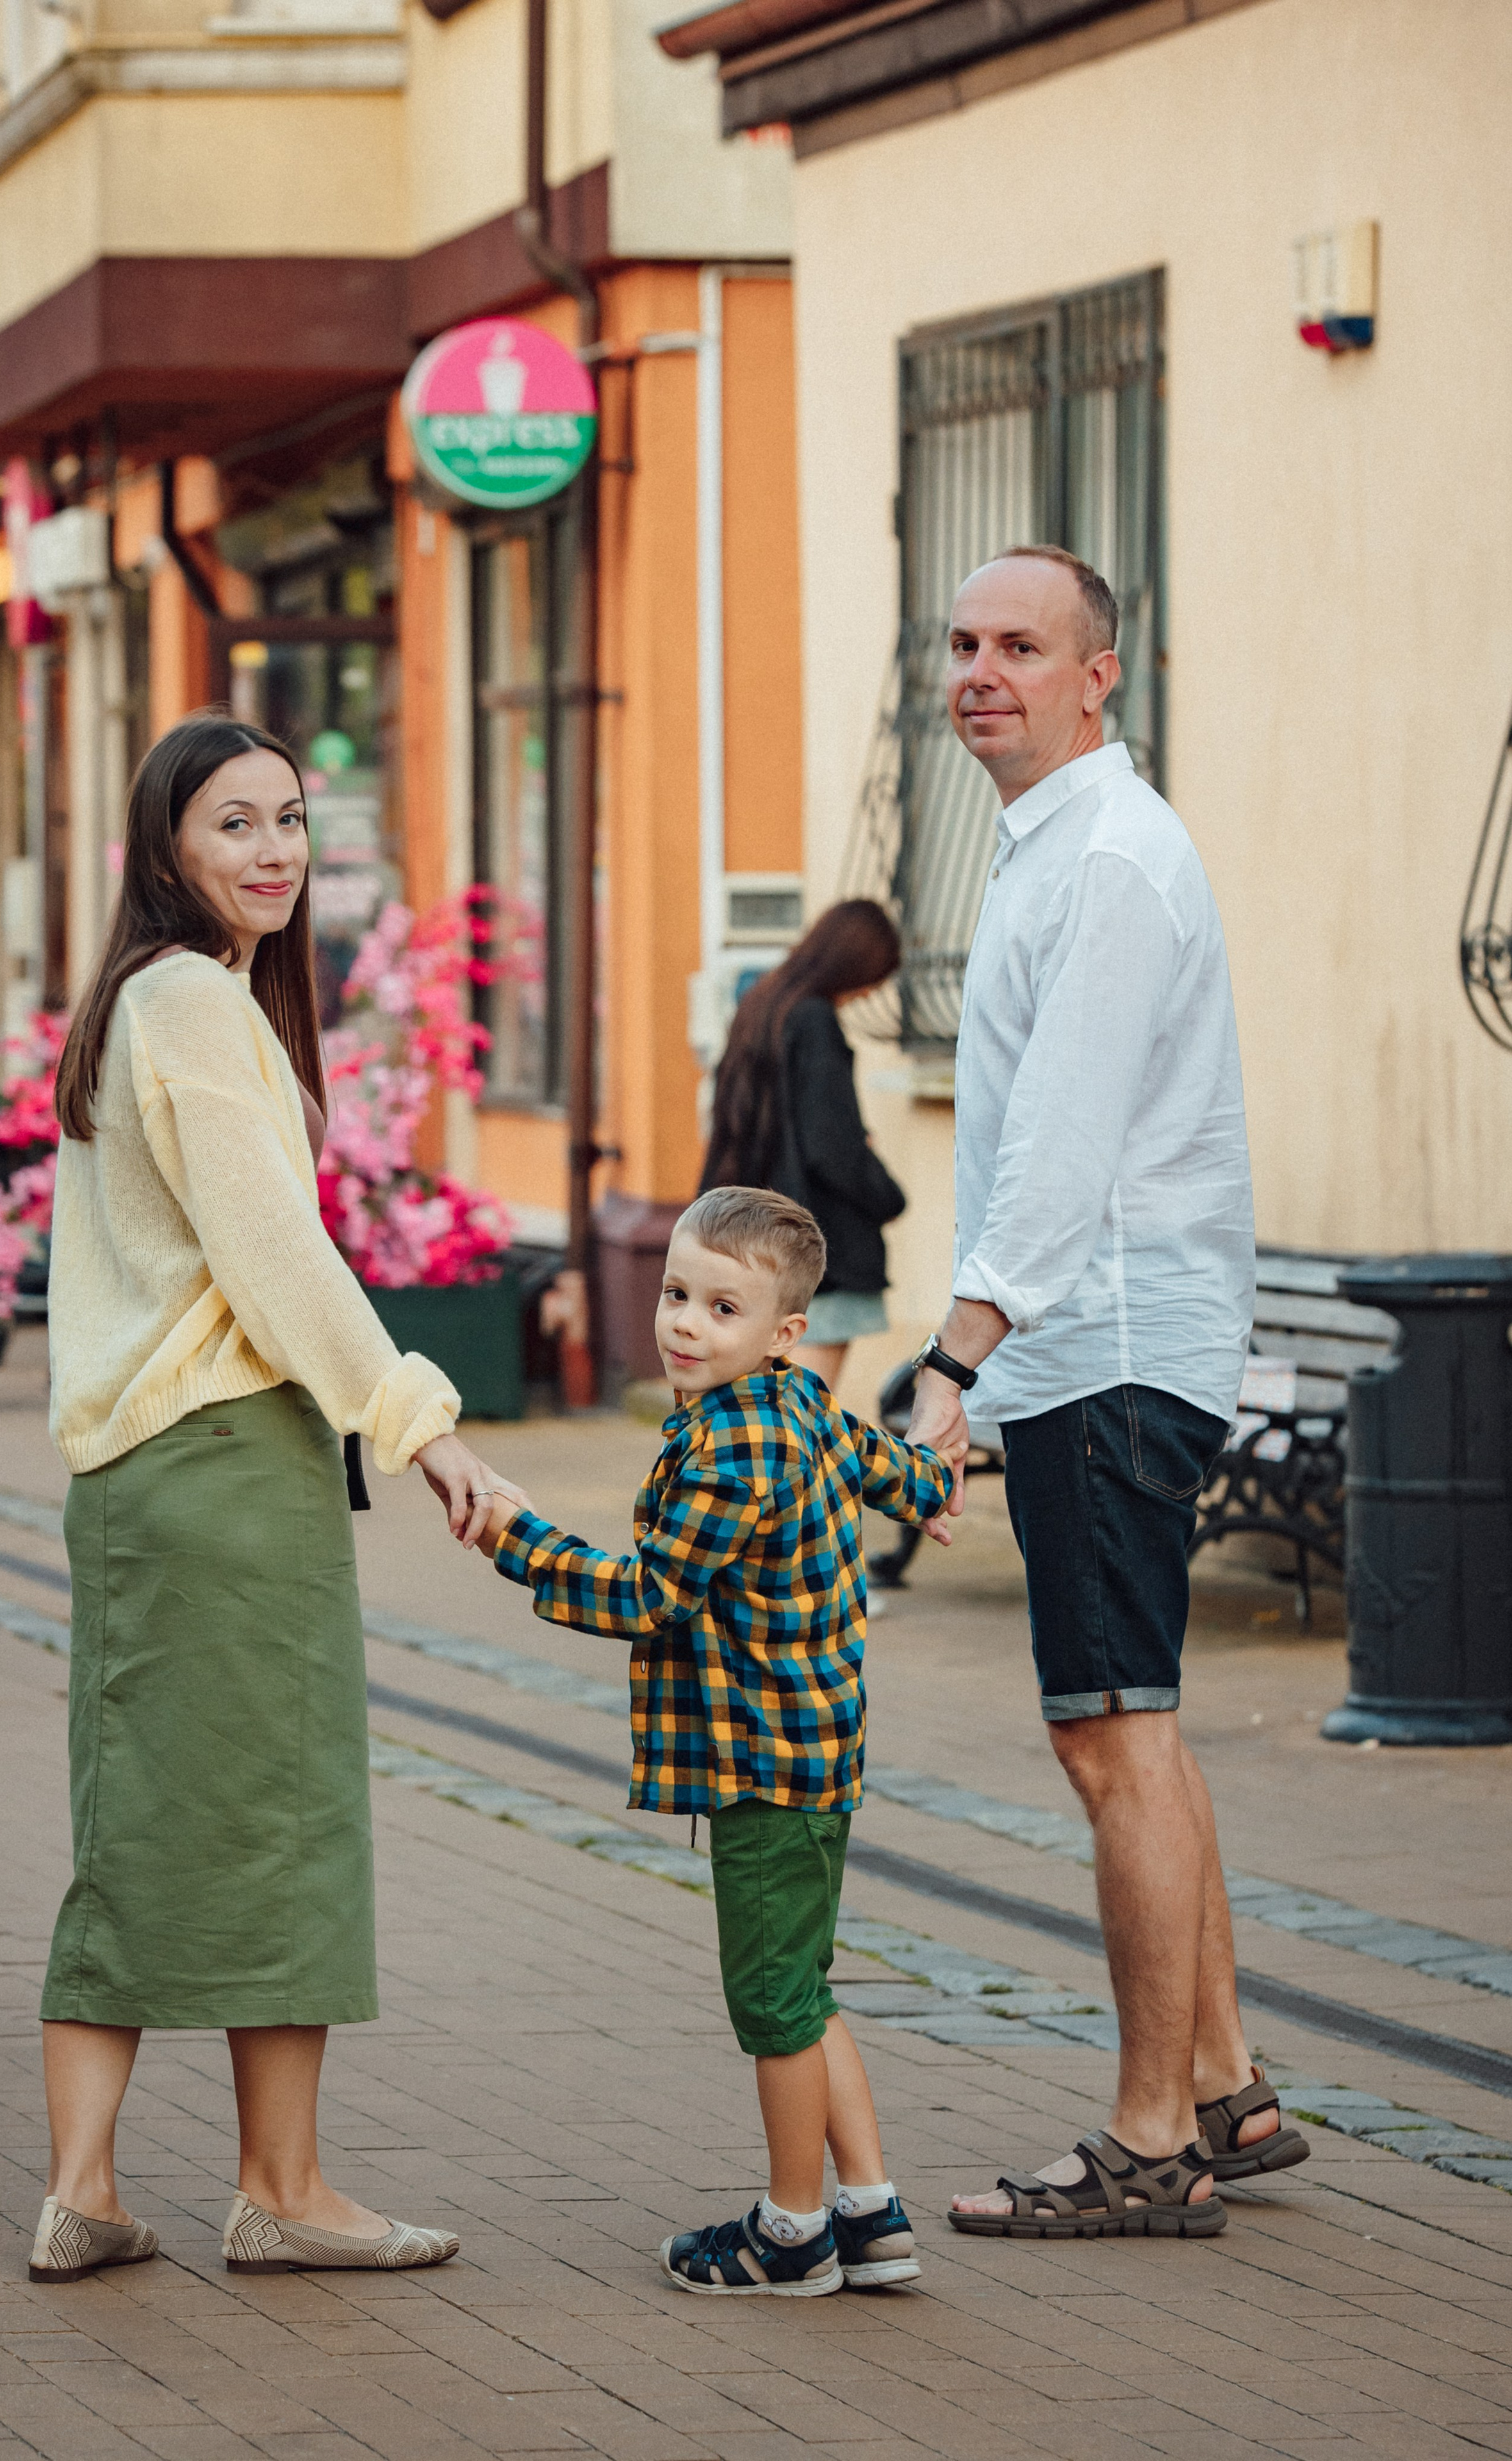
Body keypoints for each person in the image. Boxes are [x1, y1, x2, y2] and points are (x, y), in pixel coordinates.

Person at [33, 712, 507, 2285]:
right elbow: (275, 1256)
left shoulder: (147, 998)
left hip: (137, 1473)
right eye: (233, 823)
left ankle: (84, 2190)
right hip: (229, 1460)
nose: (274, 850)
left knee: (133, 1823)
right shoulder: (189, 999)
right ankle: (282, 2190)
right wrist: (420, 1421)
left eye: (290, 819)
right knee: (284, 1823)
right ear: (166, 847)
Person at [907, 547, 1309, 2242]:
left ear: (1098, 675)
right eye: (963, 643)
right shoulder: (1060, 846)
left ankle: (1150, 2145)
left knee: (1107, 1737)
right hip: (1107, 1347)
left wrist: (952, 1358)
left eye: (1020, 645)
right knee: (1140, 1725)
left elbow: (1063, 1149)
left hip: (1108, 1349)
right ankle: (1222, 2083)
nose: (980, 672)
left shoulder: (1110, 862)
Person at [475, 1187, 963, 2294]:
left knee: (774, 2007)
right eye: (676, 1295)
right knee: (805, 1987)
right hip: (818, 1756)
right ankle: (870, 2214)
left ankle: (792, 2233)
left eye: (722, 1308)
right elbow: (887, 1465)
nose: (686, 1325)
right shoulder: (798, 1401)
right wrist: (934, 1482)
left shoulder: (734, 1448)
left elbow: (650, 1596)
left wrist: (517, 1539)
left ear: (785, 1332)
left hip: (763, 1768)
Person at [701, 900, 905, 1393]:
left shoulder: (761, 1005)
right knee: (798, 1413)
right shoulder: (814, 1020)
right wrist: (888, 1196)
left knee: (760, 1406)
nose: (871, 991)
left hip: (755, 1239)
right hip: (813, 1250)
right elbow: (830, 1147)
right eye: (874, 977)